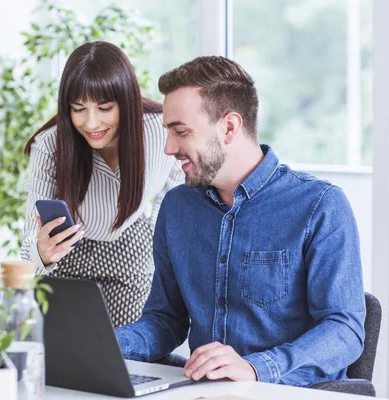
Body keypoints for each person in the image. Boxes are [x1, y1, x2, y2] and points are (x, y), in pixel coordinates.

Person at [115, 56, 366, 387]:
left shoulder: (319, 205)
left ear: (229, 127)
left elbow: (344, 329)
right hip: (203, 392)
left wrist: (257, 368)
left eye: (181, 131)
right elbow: (166, 319)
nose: (169, 147)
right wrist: (105, 343)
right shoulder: (177, 207)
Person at [21, 41, 184, 327]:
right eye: (78, 109)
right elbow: (28, 248)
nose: (92, 123)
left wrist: (159, 253)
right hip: (67, 257)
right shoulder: (49, 146)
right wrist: (42, 254)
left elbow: (172, 196)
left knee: (125, 357)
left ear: (126, 101)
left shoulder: (159, 129)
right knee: (65, 355)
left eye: (105, 108)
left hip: (130, 251)